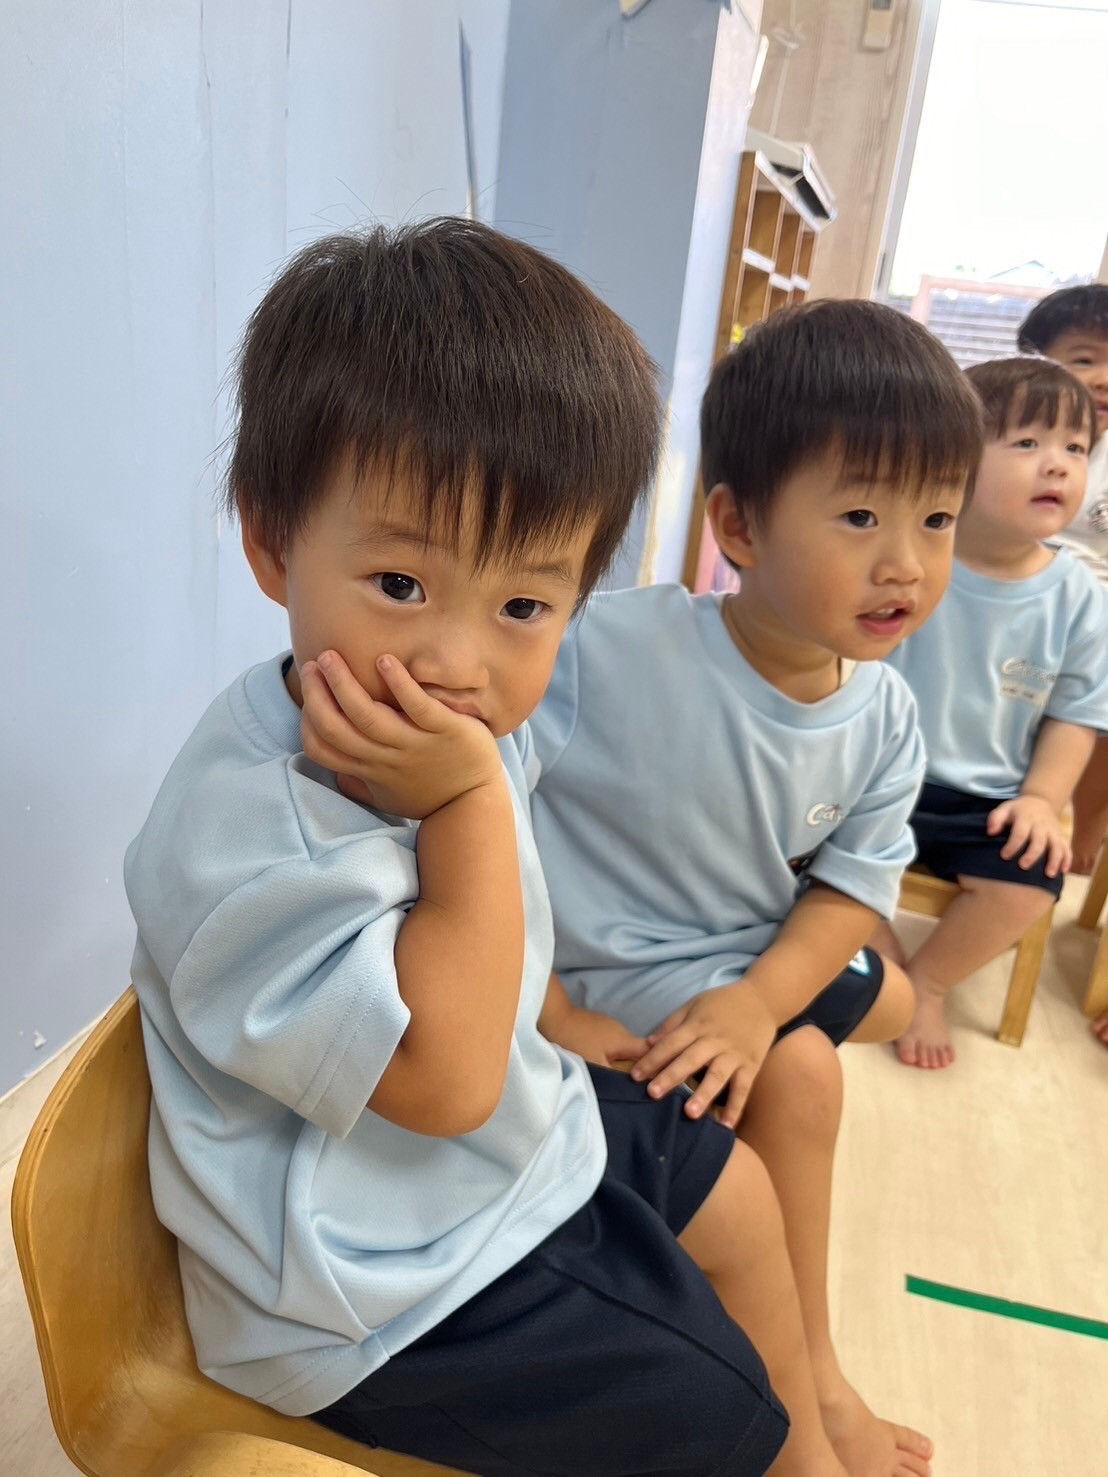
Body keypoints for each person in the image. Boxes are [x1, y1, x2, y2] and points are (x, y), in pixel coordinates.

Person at [124, 218, 861, 1477]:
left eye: (524, 603)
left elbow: (503, 932)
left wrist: (562, 1014)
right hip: (370, 1289)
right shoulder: (251, 835)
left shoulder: (435, 721)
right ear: (272, 542)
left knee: (730, 1183)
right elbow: (447, 1081)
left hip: (479, 1160)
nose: (456, 661)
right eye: (401, 586)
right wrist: (468, 799)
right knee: (713, 1404)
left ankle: (821, 1437)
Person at [529, 300, 980, 1477]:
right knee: (827, 1048)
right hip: (585, 985)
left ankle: (812, 1367)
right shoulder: (603, 650)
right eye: (860, 515)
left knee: (810, 1057)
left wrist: (755, 1001)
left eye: (936, 518)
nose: (905, 561)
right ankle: (803, 1378)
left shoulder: (884, 715)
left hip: (727, 974)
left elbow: (849, 888)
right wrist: (541, 1000)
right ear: (735, 524)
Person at [882, 356, 1108, 1069]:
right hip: (877, 778)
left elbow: (1077, 713)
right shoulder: (911, 557)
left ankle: (925, 983)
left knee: (1029, 885)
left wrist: (1042, 798)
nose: (1058, 465)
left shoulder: (1078, 596)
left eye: (1076, 448)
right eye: (1027, 443)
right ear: (955, 460)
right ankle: (884, 970)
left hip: (990, 800)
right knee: (798, 853)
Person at [1017, 285, 1108, 881]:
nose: (1103, 378)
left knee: (1097, 696)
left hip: (1097, 609)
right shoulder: (1013, 438)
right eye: (1083, 359)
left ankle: (1088, 824)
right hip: (1021, 593)